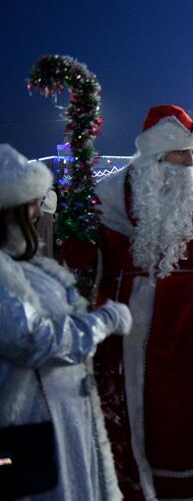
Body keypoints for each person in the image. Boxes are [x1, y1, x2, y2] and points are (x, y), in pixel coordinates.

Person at [62, 105, 193, 501]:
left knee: (186, 420)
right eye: (180, 153)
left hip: (185, 334)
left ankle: (192, 491)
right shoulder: (106, 200)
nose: (190, 162)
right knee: (123, 420)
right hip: (120, 331)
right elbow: (80, 261)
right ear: (153, 157)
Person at [0, 144, 131, 500]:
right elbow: (32, 340)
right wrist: (102, 321)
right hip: (36, 428)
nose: (36, 212)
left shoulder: (29, 264)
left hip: (64, 422)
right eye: (30, 203)